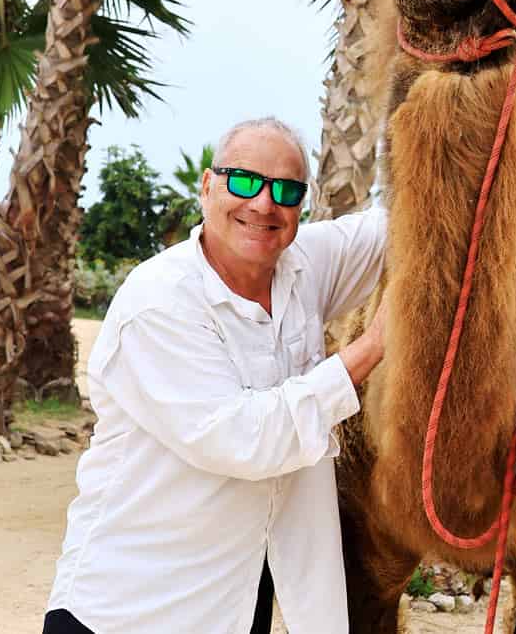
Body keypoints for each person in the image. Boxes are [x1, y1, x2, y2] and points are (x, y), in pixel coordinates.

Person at [44, 117, 388, 634]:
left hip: (234, 605)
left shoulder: (304, 265)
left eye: (287, 190)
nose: (264, 204)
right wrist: (371, 349)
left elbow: (410, 217)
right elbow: (243, 439)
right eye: (246, 181)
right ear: (207, 186)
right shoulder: (159, 302)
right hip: (128, 610)